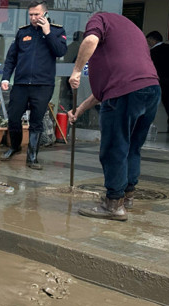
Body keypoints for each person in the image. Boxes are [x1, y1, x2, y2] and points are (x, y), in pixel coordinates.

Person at [68, 13, 160, 221]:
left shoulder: (98, 18)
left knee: (114, 147)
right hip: (151, 89)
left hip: (125, 94)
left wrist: (76, 70)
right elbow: (106, 91)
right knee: (132, 146)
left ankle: (113, 204)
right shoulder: (133, 31)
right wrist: (79, 110)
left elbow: (90, 40)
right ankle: (127, 197)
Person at [0, 1, 67, 169]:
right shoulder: (23, 32)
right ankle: (14, 147)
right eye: (31, 15)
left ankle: (32, 157)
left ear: (45, 13)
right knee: (14, 118)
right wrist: (6, 78)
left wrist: (48, 32)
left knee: (36, 122)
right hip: (21, 84)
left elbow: (60, 52)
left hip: (43, 85)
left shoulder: (57, 31)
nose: (34, 18)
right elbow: (11, 58)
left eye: (37, 14)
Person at [145, 31, 169, 134]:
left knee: (168, 105)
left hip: (161, 81)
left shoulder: (152, 52)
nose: (148, 43)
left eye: (149, 40)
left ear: (153, 40)